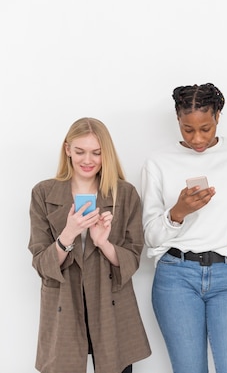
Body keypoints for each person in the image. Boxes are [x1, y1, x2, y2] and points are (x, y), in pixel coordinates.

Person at [141, 83, 227, 373]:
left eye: (205, 129)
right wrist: (178, 213)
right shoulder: (157, 162)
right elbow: (151, 236)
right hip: (176, 276)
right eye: (187, 129)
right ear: (178, 121)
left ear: (218, 116)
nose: (197, 139)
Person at [28, 117, 151, 373]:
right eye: (80, 151)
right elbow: (41, 263)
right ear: (67, 150)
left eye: (96, 153)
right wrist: (68, 234)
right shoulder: (43, 193)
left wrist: (102, 243)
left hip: (110, 303)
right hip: (65, 303)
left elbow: (133, 258)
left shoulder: (124, 194)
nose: (88, 160)